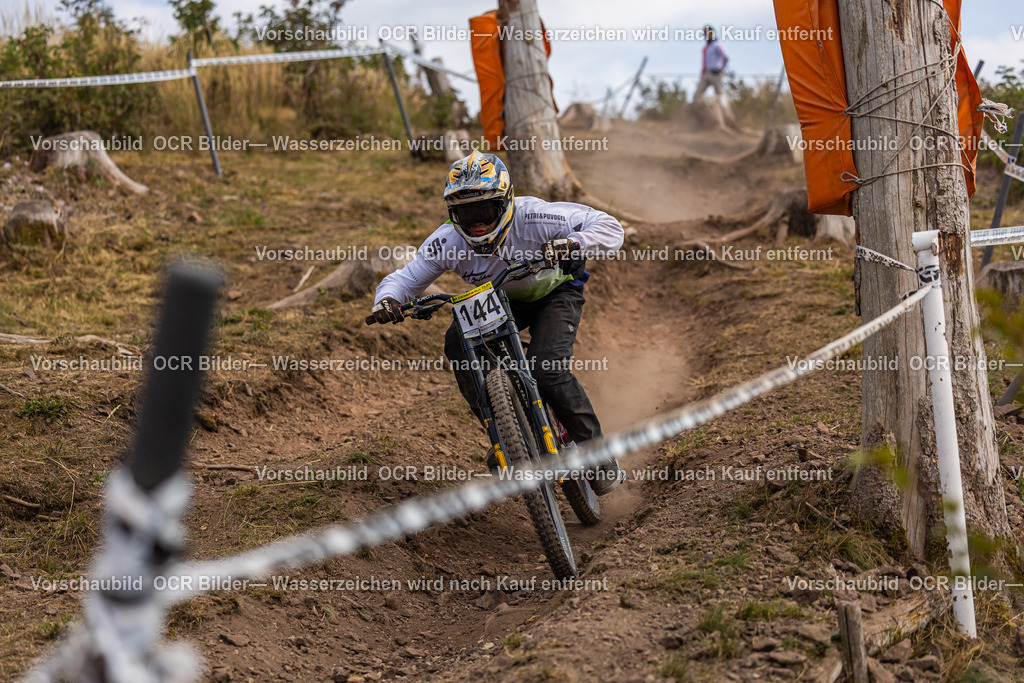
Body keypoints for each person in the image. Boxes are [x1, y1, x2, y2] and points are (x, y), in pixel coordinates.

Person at [369, 151, 624, 495]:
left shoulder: (536, 216)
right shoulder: (447, 241)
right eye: (466, 212)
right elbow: (405, 279)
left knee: (547, 369)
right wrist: (387, 302)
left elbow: (610, 226)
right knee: (457, 342)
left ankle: (598, 455)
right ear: (452, 213)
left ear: (505, 202)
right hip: (498, 301)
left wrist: (575, 242)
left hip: (555, 291)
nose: (477, 224)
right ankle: (504, 434)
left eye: (485, 211)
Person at [695, 25, 728, 98]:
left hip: (716, 73)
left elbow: (725, 58)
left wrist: (721, 69)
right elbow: (704, 62)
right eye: (705, 33)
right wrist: (702, 73)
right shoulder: (706, 48)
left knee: (720, 95)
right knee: (697, 95)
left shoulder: (717, 45)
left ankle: (723, 109)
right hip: (706, 73)